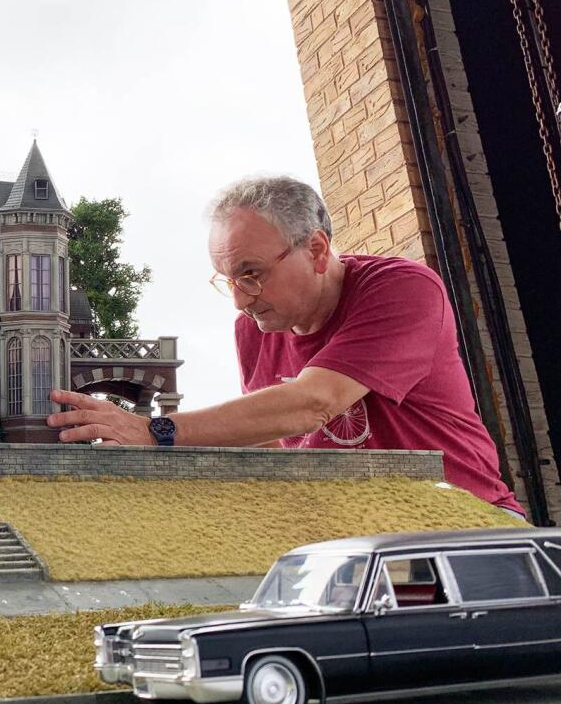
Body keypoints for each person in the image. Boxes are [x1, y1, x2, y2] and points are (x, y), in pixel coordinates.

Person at [47, 175, 525, 517]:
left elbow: (313, 403)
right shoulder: (253, 330)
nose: (239, 298)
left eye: (251, 274)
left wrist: (156, 432)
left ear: (316, 250)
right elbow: (276, 438)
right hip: (356, 547)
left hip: (468, 524)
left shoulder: (402, 289)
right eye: (229, 280)